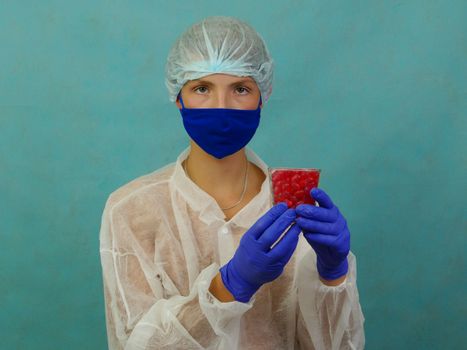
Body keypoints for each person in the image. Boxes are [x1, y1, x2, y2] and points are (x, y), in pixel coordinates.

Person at [99, 16, 365, 349]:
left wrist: (333, 274)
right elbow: (134, 344)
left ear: (262, 97)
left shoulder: (296, 209)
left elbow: (335, 346)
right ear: (178, 96)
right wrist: (228, 286)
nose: (221, 107)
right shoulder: (133, 211)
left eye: (240, 89)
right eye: (202, 89)